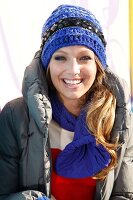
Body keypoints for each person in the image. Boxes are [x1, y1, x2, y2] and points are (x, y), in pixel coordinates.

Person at [0, 4, 133, 200]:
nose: (73, 69)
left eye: (84, 58)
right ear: (47, 64)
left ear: (98, 65)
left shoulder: (119, 118)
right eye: (60, 57)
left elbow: (124, 194)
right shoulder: (16, 115)